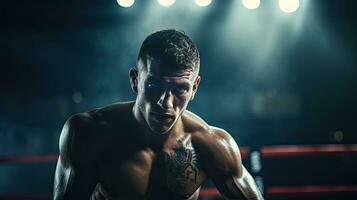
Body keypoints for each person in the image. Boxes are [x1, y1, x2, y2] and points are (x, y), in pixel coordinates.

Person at [53, 29, 264, 200]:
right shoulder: (89, 133)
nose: (165, 102)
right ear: (135, 80)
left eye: (180, 88)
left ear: (194, 88)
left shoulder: (210, 145)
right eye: (154, 84)